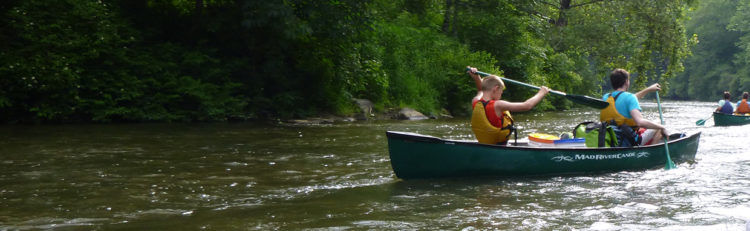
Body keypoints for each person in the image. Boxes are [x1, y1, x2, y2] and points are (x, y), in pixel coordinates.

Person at [466, 66, 550, 145]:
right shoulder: (498, 105)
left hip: (485, 146)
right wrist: (541, 93)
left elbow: (481, 90)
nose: (501, 95)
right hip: (500, 148)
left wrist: (476, 77)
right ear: (496, 89)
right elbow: (527, 105)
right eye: (501, 92)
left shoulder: (476, 101)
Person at [600, 68, 668, 146]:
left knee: (649, 127)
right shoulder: (630, 98)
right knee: (659, 124)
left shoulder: (606, 97)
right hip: (628, 140)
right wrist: (662, 127)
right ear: (626, 82)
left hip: (611, 137)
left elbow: (625, 98)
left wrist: (648, 89)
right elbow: (639, 122)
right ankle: (649, 153)